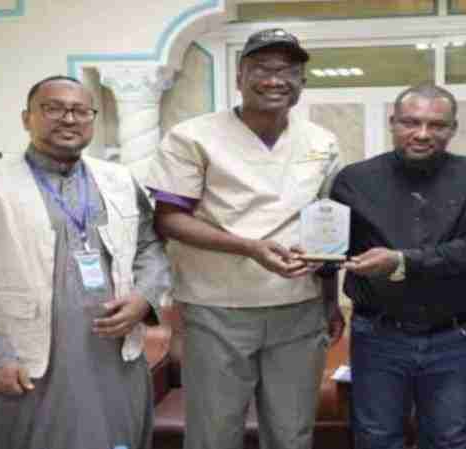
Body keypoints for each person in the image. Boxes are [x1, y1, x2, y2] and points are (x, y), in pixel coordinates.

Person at [0, 75, 171, 449]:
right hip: (29, 360)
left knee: (119, 438)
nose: (69, 118)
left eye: (80, 110)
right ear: (26, 118)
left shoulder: (119, 180)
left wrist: (144, 297)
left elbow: (151, 247)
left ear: (92, 119)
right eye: (53, 108)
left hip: (115, 353)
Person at [145, 28, 345, 449]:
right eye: (261, 69)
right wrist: (249, 248)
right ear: (239, 78)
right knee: (214, 433)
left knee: (292, 434)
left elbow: (326, 223)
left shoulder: (322, 141)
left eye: (287, 71)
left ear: (302, 82)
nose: (274, 79)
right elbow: (169, 220)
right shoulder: (192, 137)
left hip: (298, 307)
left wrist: (329, 298)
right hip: (217, 307)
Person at [330, 83, 466, 449]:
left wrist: (402, 261)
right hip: (377, 334)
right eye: (411, 122)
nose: (423, 134)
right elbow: (333, 251)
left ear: (453, 128)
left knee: (448, 440)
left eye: (437, 125)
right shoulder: (354, 180)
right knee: (376, 440)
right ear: (392, 123)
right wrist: (324, 298)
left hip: (453, 336)